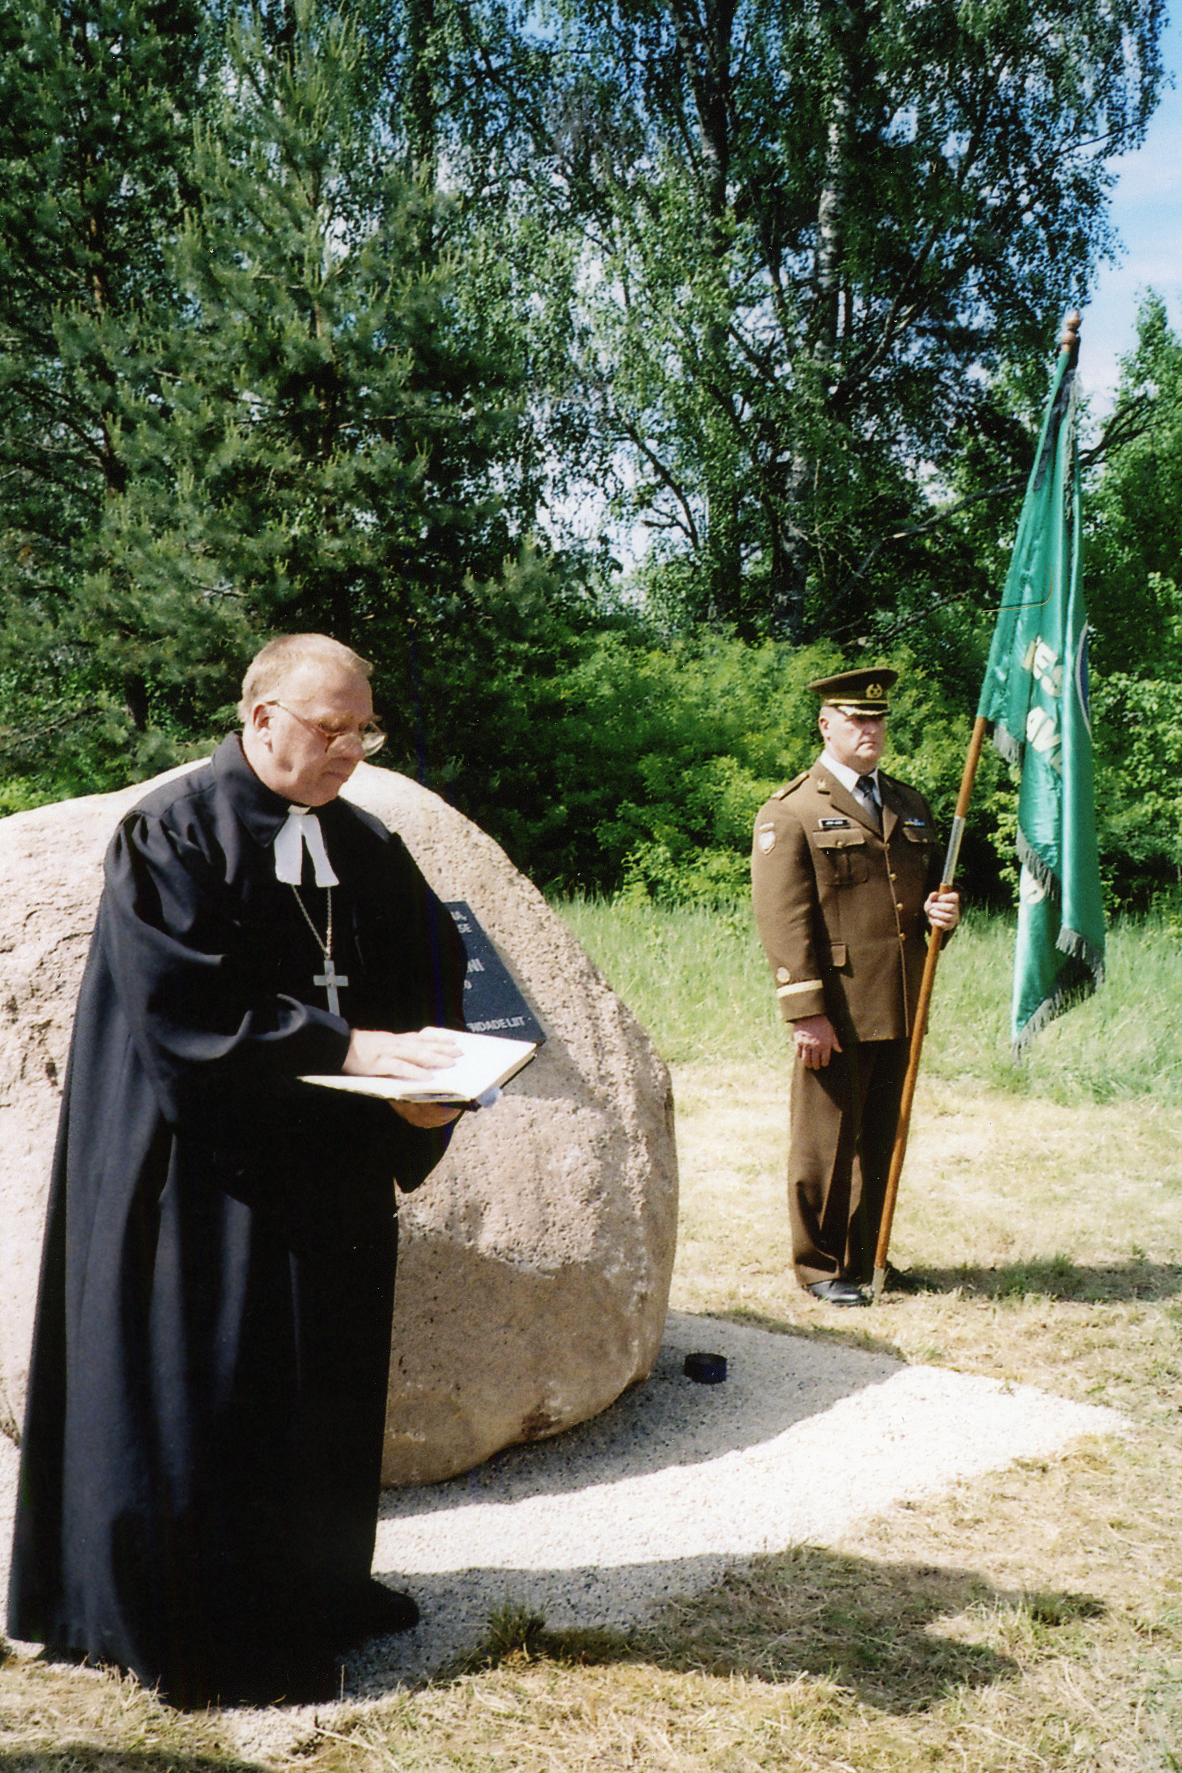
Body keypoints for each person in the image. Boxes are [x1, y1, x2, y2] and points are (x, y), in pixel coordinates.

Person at [8, 634, 471, 1706]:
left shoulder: (367, 843)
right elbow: (185, 1008)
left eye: (365, 730)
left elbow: (431, 974)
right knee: (213, 1393)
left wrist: (430, 1085)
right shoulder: (171, 832)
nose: (349, 749)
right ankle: (203, 1630)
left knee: (322, 1390)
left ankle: (316, 1593)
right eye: (330, 727)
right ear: (260, 716)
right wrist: (352, 1048)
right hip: (202, 1174)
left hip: (332, 1168)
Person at [750, 668, 959, 1308]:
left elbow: (919, 899)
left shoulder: (906, 803)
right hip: (837, 1006)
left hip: (899, 997)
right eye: (856, 719)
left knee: (881, 1135)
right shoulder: (792, 810)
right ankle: (820, 1265)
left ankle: (869, 1259)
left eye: (878, 719)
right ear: (826, 725)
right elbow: (784, 922)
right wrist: (805, 1012)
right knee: (826, 1141)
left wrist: (943, 917)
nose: (871, 729)